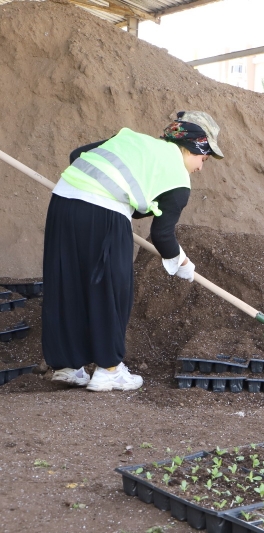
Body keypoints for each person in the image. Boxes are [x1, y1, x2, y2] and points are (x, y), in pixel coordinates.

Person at [44, 111, 224, 391]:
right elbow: (162, 235)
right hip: (104, 213)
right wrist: (181, 262)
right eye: (204, 159)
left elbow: (78, 154)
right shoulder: (178, 179)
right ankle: (109, 370)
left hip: (63, 201)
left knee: (68, 281)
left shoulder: (133, 140)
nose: (201, 167)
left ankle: (69, 367)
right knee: (112, 288)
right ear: (194, 146)